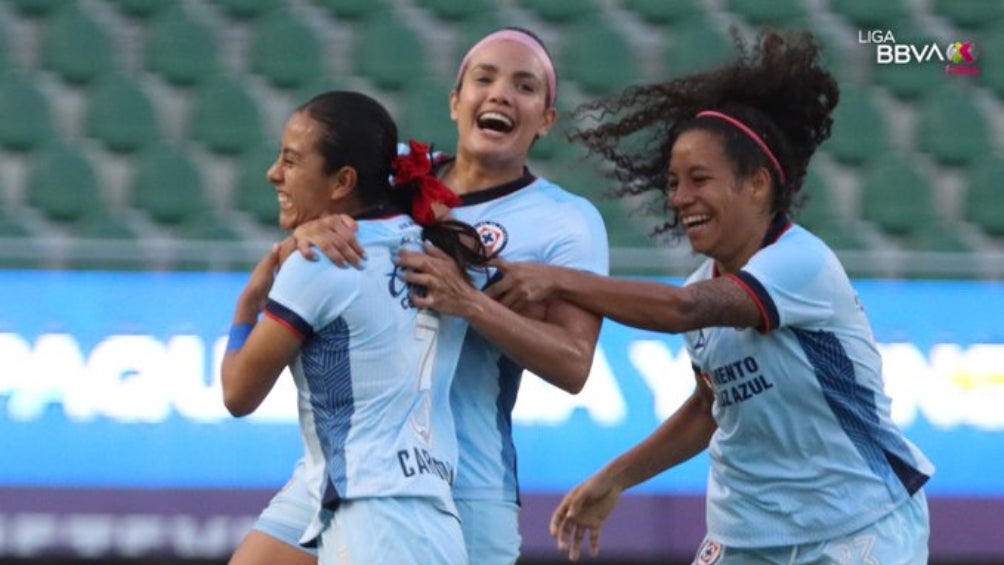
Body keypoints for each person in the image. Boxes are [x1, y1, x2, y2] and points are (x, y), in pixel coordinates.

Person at [486, 31, 934, 564]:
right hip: (745, 532)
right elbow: (710, 405)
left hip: (859, 521)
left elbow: (683, 311)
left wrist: (558, 278)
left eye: (699, 179)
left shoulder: (801, 264)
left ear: (758, 185)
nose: (680, 198)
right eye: (673, 183)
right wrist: (614, 479)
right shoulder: (702, 286)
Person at [291, 27, 610, 565]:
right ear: (455, 100)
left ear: (546, 120)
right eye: (483, 78)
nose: (501, 94)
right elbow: (297, 201)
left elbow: (573, 365)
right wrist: (306, 231)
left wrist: (470, 302)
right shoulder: (389, 172)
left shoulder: (567, 221)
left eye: (525, 86)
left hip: (468, 487)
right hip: (348, 468)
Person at [221, 90, 490, 565]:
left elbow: (238, 393)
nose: (273, 173)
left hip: (377, 515)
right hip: (375, 494)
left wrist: (249, 301)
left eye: (291, 160)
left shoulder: (322, 260)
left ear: (343, 180)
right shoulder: (440, 246)